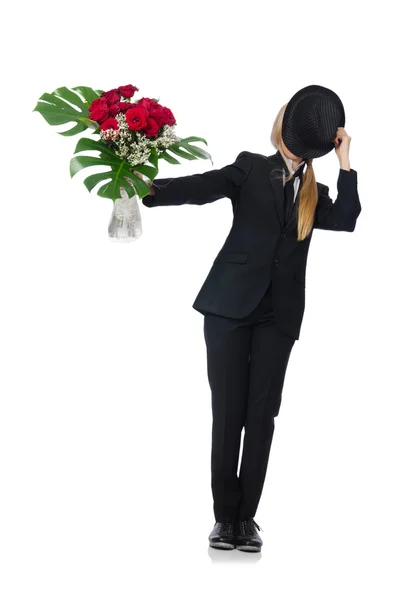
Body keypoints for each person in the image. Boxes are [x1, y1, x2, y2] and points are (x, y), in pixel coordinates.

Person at [141, 85, 361, 552]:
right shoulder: (249, 166)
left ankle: (247, 520)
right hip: (227, 308)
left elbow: (347, 218)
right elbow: (205, 186)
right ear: (284, 127)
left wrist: (346, 163)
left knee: (262, 417)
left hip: (277, 317)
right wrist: (150, 190)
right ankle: (224, 519)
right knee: (229, 415)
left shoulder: (313, 193)